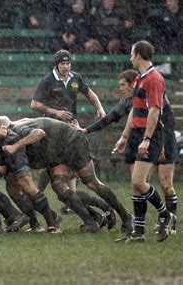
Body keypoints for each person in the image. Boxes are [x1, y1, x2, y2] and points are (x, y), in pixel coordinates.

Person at [82, 69, 179, 234]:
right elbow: (112, 117)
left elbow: (167, 121)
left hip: (160, 140)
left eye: (122, 85)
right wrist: (88, 130)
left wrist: (161, 145)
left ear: (134, 83)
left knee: (165, 184)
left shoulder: (153, 96)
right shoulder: (127, 101)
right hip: (142, 140)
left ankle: (168, 218)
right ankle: (141, 228)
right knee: (139, 183)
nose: (120, 88)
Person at [0, 116, 133, 233]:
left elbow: (38, 133)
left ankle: (125, 216)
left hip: (71, 141)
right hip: (55, 153)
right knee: (60, 188)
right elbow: (4, 119)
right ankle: (91, 222)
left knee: (91, 182)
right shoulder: (11, 128)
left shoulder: (18, 132)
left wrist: (15, 146)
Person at [113, 40, 176, 243]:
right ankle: (139, 233)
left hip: (150, 135)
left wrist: (147, 139)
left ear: (139, 55)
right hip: (138, 134)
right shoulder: (141, 78)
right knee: (136, 186)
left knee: (139, 182)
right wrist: (125, 137)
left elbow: (155, 110)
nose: (130, 57)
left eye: (132, 54)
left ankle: (165, 214)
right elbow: (136, 110)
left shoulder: (154, 78)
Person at [30, 49, 105, 213]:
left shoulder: (76, 78)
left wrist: (99, 108)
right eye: (63, 63)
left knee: (72, 161)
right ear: (56, 65)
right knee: (49, 164)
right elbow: (34, 104)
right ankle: (37, 195)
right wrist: (55, 112)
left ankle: (69, 200)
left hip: (71, 127)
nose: (66, 66)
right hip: (51, 128)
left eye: (68, 63)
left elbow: (90, 94)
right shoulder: (48, 80)